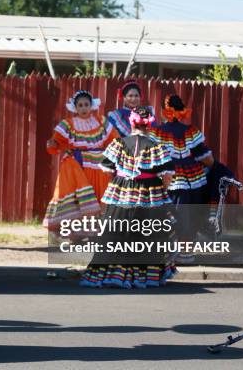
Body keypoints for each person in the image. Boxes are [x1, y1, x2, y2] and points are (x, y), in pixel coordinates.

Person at [80, 106, 176, 289]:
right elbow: (167, 176)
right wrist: (160, 190)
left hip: (121, 191)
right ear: (150, 125)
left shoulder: (118, 144)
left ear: (132, 122)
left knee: (114, 233)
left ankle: (110, 274)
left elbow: (109, 170)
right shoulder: (158, 147)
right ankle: (146, 276)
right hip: (150, 193)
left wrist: (122, 182)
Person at [43, 91, 118, 230]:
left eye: (86, 105)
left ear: (92, 106)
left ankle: (98, 231)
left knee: (99, 194)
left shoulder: (101, 121)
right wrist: (53, 144)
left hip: (99, 165)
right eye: (80, 105)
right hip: (78, 164)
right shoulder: (68, 124)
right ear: (75, 108)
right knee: (80, 198)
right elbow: (58, 141)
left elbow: (114, 139)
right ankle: (76, 231)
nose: (84, 108)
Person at [150, 95, 214, 251]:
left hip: (167, 180)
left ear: (164, 111)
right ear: (182, 110)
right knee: (190, 217)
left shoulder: (157, 132)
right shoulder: (190, 131)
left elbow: (150, 157)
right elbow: (208, 159)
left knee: (169, 216)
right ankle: (185, 252)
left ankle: (169, 251)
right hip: (193, 180)